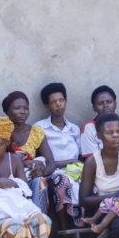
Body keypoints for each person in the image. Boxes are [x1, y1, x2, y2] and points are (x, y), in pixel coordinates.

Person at [2, 91, 75, 221]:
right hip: (8, 177)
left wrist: (42, 171)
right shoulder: (1, 132)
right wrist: (23, 163)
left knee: (40, 182)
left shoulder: (36, 132)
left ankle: (39, 225)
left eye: (25, 108)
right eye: (17, 108)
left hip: (30, 178)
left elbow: (50, 163)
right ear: (7, 111)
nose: (22, 112)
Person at [34, 83, 83, 223]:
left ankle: (84, 225)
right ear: (47, 106)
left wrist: (75, 164)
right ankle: (64, 231)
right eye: (54, 102)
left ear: (65, 101)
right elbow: (42, 159)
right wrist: (69, 162)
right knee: (62, 181)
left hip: (75, 170)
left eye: (61, 100)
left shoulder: (74, 128)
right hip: (53, 172)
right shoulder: (39, 128)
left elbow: (79, 156)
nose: (58, 104)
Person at [80, 85, 118, 158]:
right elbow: (91, 160)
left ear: (115, 104)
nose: (105, 106)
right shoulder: (89, 128)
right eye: (100, 103)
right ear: (94, 108)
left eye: (109, 102)